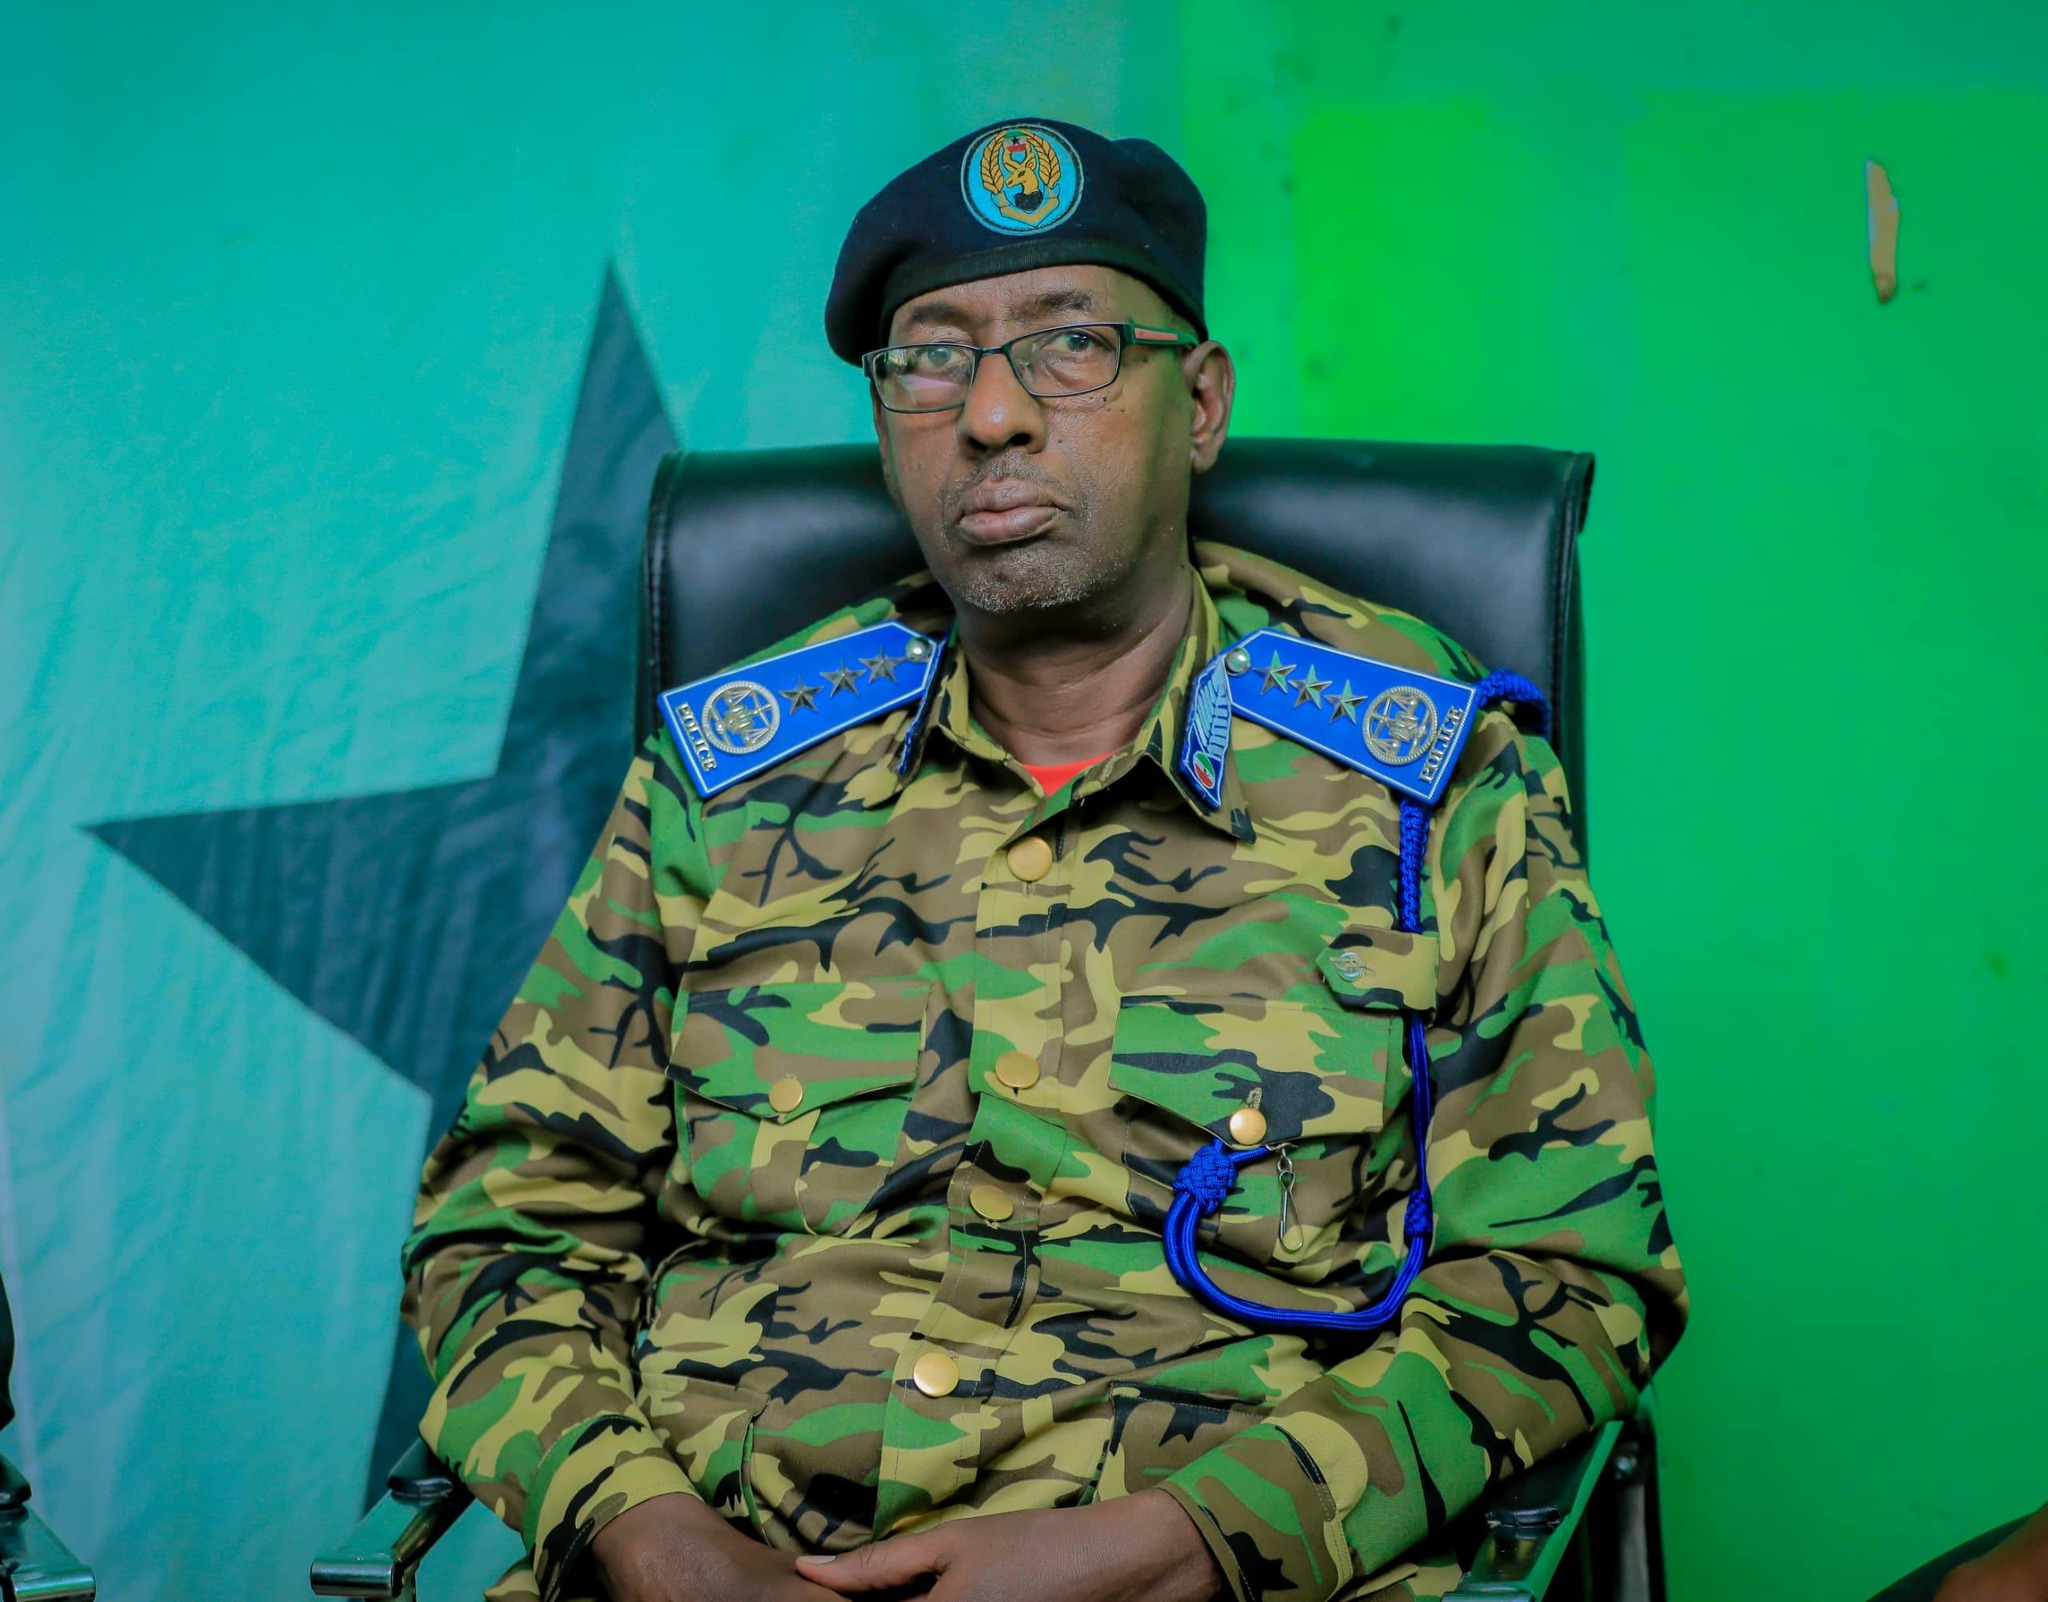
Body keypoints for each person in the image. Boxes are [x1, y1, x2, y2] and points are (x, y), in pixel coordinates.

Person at [401, 117, 1687, 1602]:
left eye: (1072, 344)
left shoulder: (1426, 773)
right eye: (931, 359)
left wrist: (1187, 1543)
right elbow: (505, 1226)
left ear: (1200, 401)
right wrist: (652, 1539)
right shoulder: (729, 775)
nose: (993, 415)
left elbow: (1569, 1277)